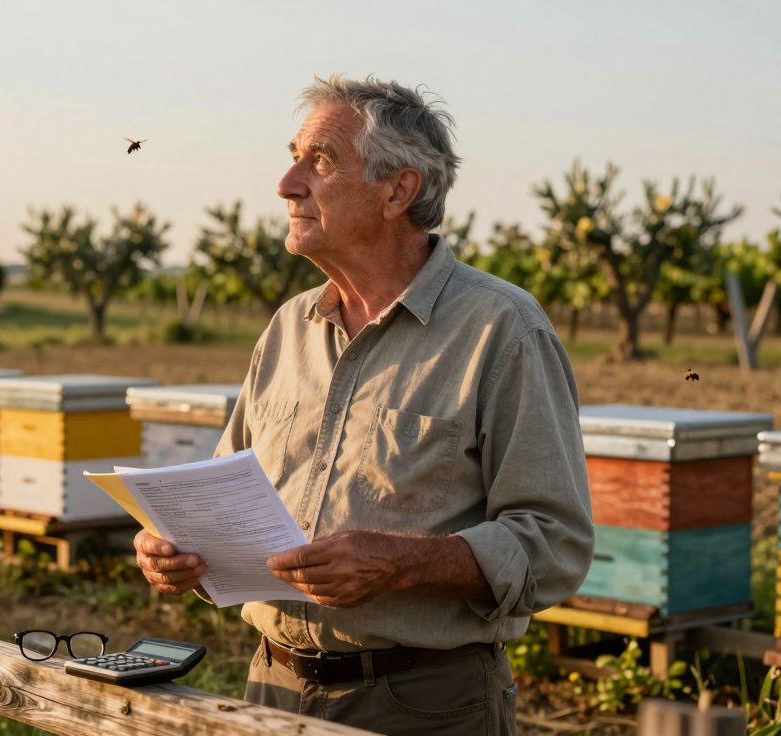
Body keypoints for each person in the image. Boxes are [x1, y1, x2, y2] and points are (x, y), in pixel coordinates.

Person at [133, 75, 594, 734]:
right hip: (269, 688)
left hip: (424, 704)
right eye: (294, 156)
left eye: (319, 161)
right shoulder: (288, 327)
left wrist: (400, 565)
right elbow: (218, 494)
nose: (287, 183)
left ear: (398, 190)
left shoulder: (502, 329)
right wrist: (174, 548)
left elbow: (555, 547)